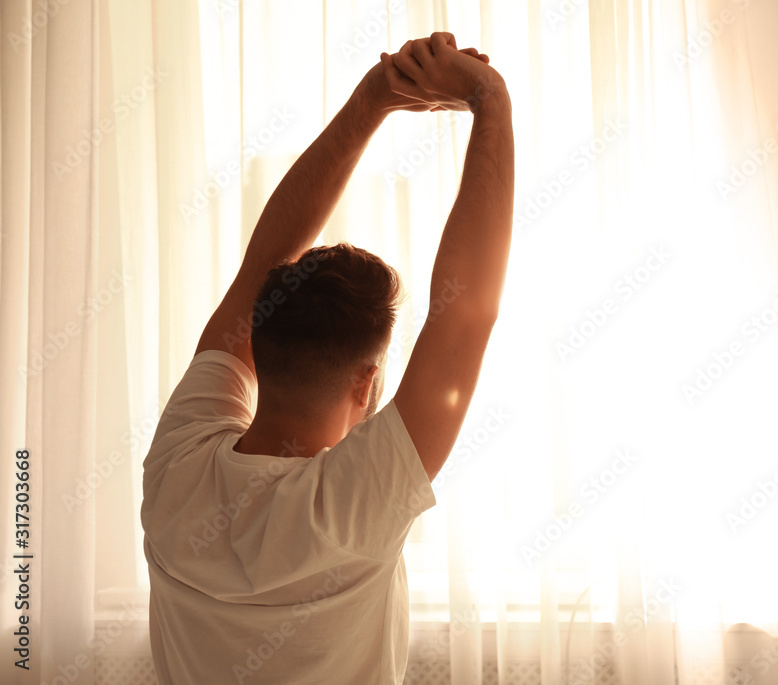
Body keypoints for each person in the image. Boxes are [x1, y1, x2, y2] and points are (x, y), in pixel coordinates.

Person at [140, 32, 514, 684]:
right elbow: (466, 313)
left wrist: (372, 100)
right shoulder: (355, 503)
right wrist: (490, 97)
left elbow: (264, 266)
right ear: (366, 382)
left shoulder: (177, 466)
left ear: (252, 343)